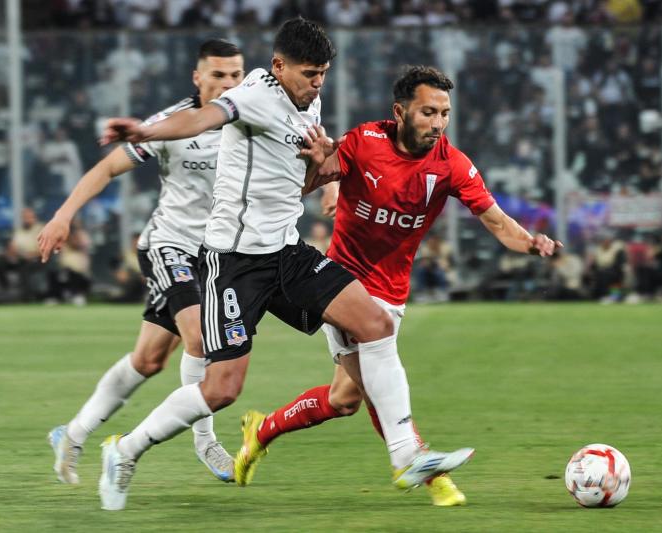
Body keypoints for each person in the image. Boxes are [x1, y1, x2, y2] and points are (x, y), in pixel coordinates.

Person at [97, 18, 478, 512]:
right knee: (221, 390)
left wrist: (325, 164)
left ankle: (407, 454)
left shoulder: (308, 100)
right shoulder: (254, 95)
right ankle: (124, 450)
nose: (318, 83)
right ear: (279, 67)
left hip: (286, 252)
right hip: (234, 262)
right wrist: (145, 130)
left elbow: (305, 162)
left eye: (323, 73)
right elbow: (203, 118)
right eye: (309, 74)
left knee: (376, 324)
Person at [239, 66, 563, 506]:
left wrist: (531, 243)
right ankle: (420, 465)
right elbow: (316, 177)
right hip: (342, 281)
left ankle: (262, 430)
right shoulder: (366, 141)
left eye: (445, 113)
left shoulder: (451, 165)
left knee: (344, 399)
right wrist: (320, 171)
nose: (438, 122)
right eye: (429, 112)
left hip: (392, 290)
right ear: (401, 111)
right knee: (377, 359)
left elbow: (496, 221)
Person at [39, 39, 246, 485]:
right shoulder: (170, 124)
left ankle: (71, 434)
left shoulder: (252, 117)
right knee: (201, 339)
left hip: (216, 255)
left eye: (235, 75)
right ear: (198, 77)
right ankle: (205, 440)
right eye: (218, 75)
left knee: (149, 360)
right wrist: (63, 216)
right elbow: (106, 169)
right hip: (169, 245)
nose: (229, 83)